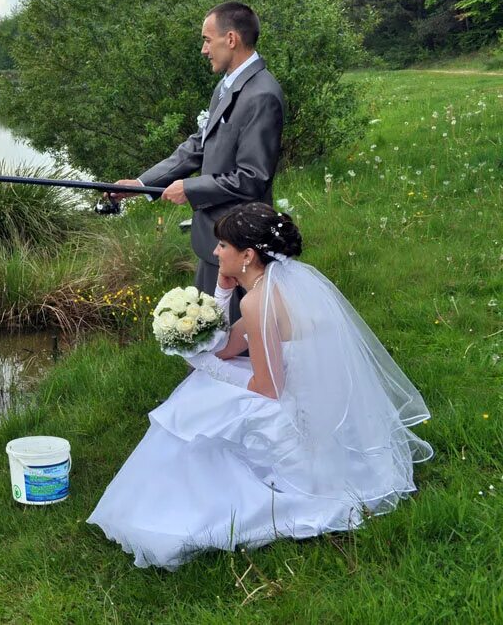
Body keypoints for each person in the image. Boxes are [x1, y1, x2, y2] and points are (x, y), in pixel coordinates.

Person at [86, 202, 432, 569]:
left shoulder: (258, 301)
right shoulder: (279, 287)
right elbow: (230, 347)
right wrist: (220, 292)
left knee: (196, 401)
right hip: (314, 395)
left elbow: (267, 388)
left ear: (248, 255)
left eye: (223, 246)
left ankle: (176, 504)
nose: (216, 251)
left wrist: (202, 365)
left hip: (291, 405)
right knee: (208, 384)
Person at [116, 2, 283, 321]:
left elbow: (253, 177)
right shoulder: (226, 86)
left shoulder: (262, 95)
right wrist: (141, 185)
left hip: (240, 242)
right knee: (211, 332)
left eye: (208, 40)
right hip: (215, 239)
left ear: (231, 39)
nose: (204, 49)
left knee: (238, 339)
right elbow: (198, 146)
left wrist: (191, 188)